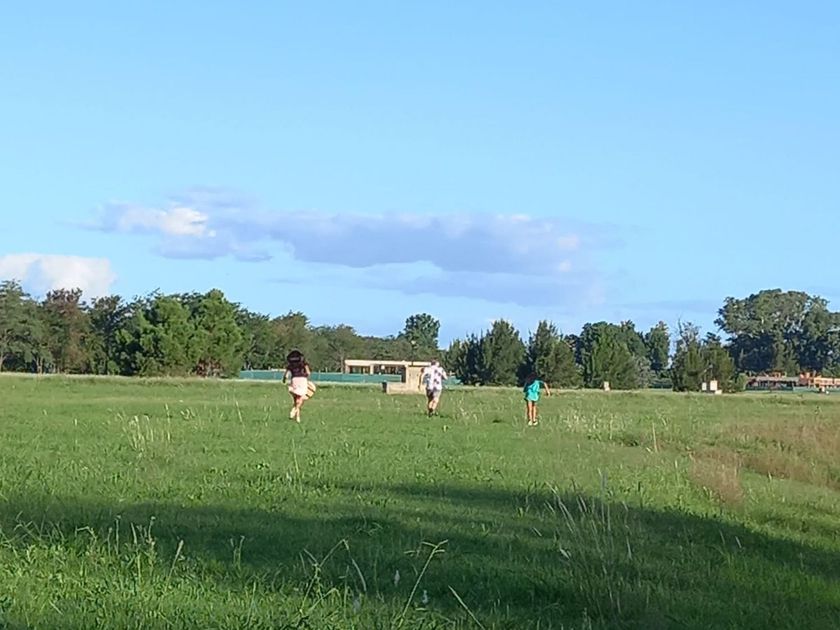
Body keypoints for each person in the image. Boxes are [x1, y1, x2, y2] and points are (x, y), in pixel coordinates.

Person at [283, 350, 312, 422]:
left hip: (294, 380)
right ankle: (294, 410)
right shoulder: (304, 364)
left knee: (296, 399)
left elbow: (286, 376)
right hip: (302, 379)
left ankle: (297, 418)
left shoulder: (290, 366)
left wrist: (284, 380)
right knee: (301, 398)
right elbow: (308, 373)